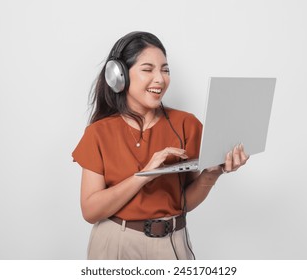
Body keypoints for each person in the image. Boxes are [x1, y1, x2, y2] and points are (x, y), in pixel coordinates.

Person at [72, 31, 249, 260]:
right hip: (115, 242)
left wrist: (211, 174)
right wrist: (145, 175)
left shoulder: (186, 124)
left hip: (172, 242)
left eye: (165, 70)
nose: (160, 79)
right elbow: (90, 210)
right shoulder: (99, 132)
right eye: (148, 69)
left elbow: (183, 203)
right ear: (119, 76)